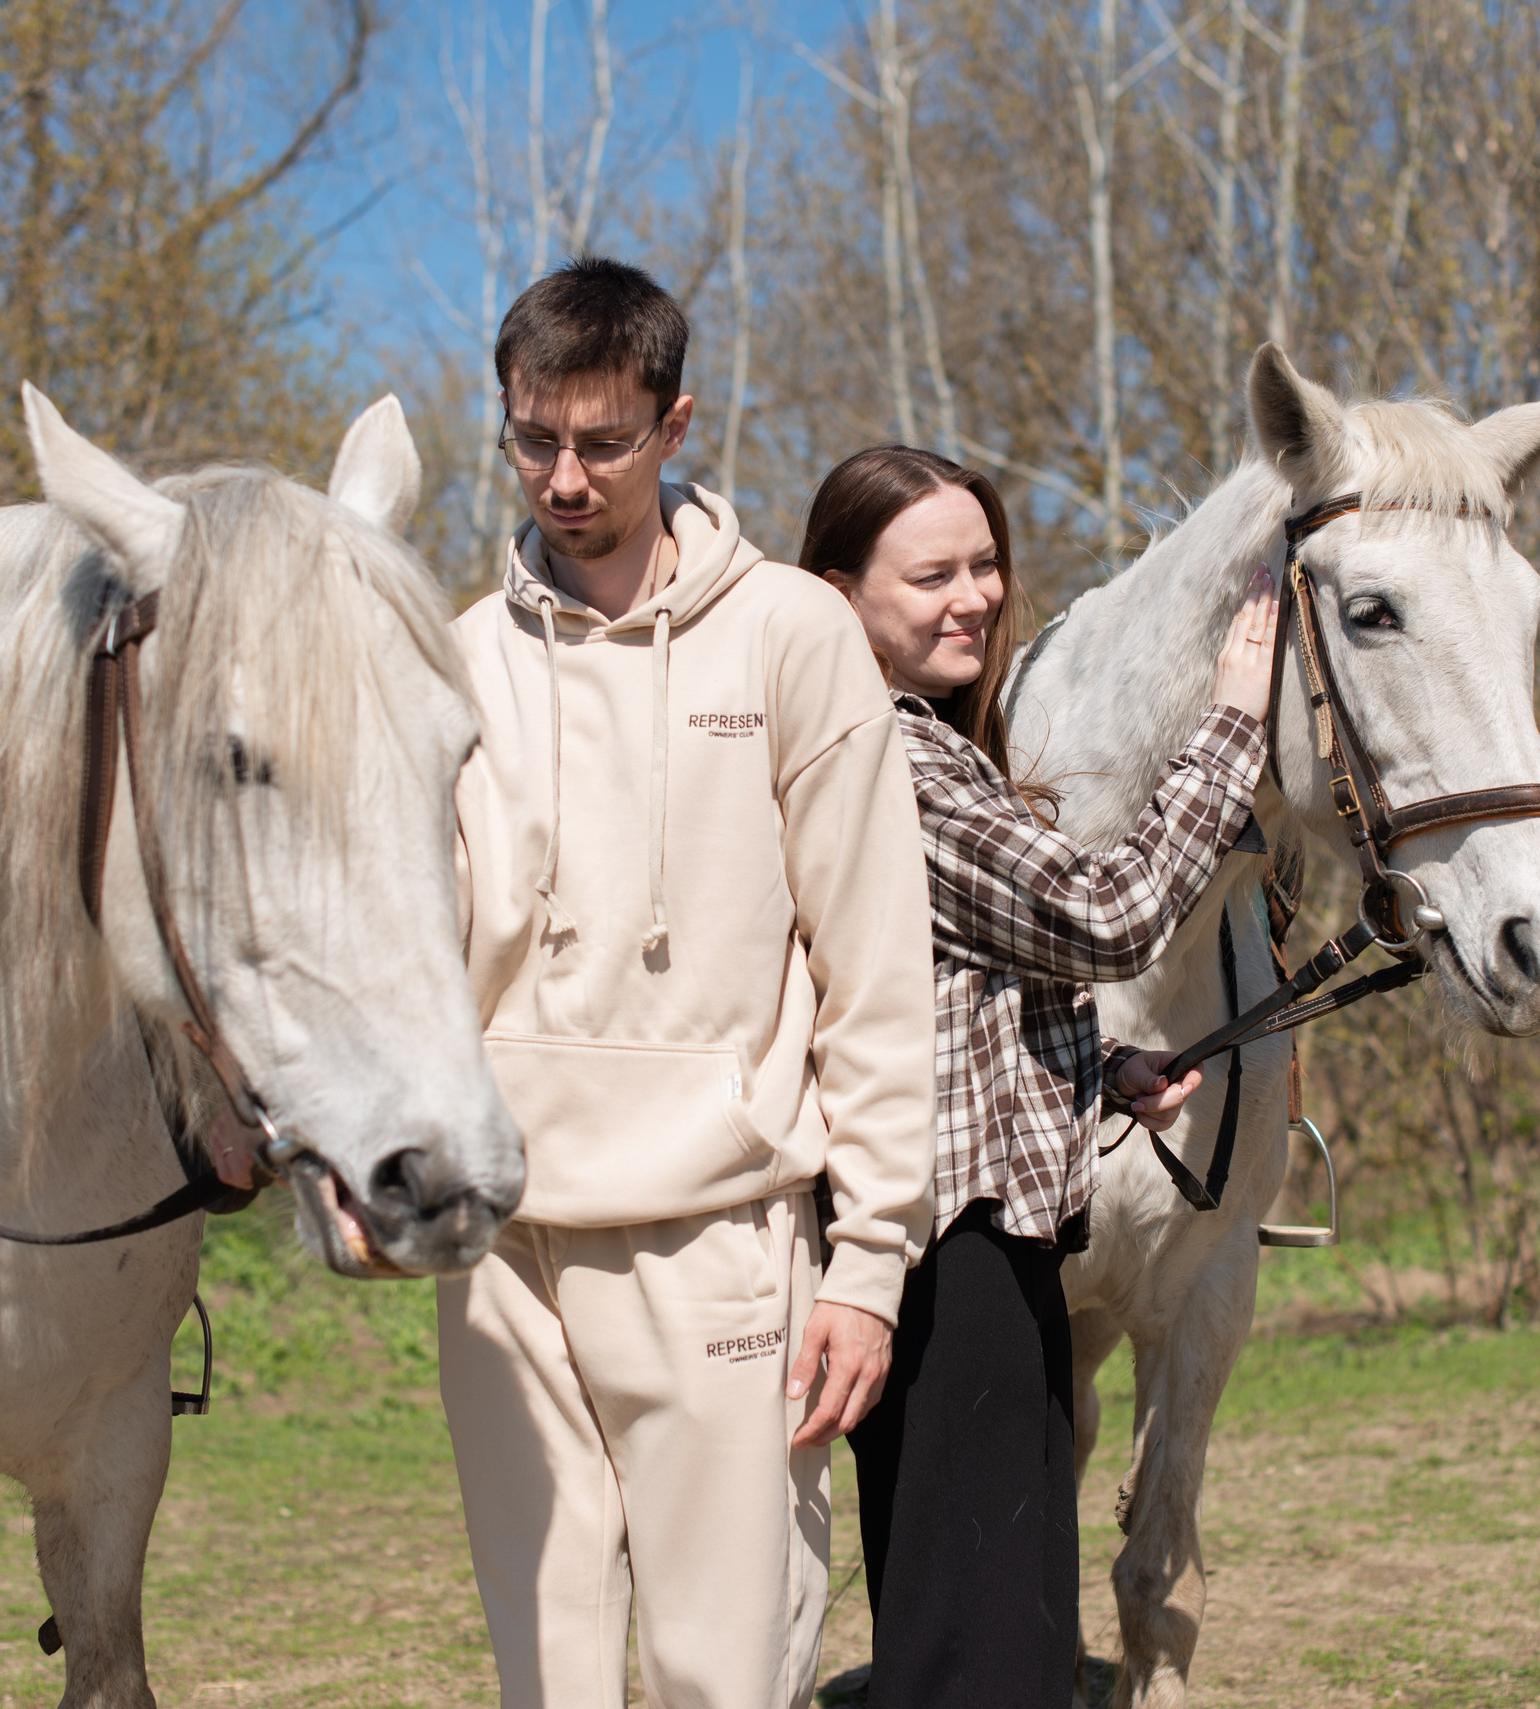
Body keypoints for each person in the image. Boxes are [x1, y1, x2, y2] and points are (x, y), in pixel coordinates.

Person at [439, 259, 937, 1709]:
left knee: (728, 1678)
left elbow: (875, 965)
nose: (567, 476)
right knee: (554, 1683)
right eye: (536, 439)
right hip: (504, 1248)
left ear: (678, 424)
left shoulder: (791, 633)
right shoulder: (461, 659)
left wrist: (872, 1259)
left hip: (727, 1237)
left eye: (603, 440)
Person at [800, 445, 1279, 1708]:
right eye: (929, 574)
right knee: (984, 1652)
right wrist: (1231, 724)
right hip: (948, 1248)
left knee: (990, 1623)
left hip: (982, 1233)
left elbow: (925, 985)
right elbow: (1105, 918)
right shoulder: (892, 758)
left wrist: (1092, 1060)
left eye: (984, 564)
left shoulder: (938, 747)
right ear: (841, 595)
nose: (972, 595)